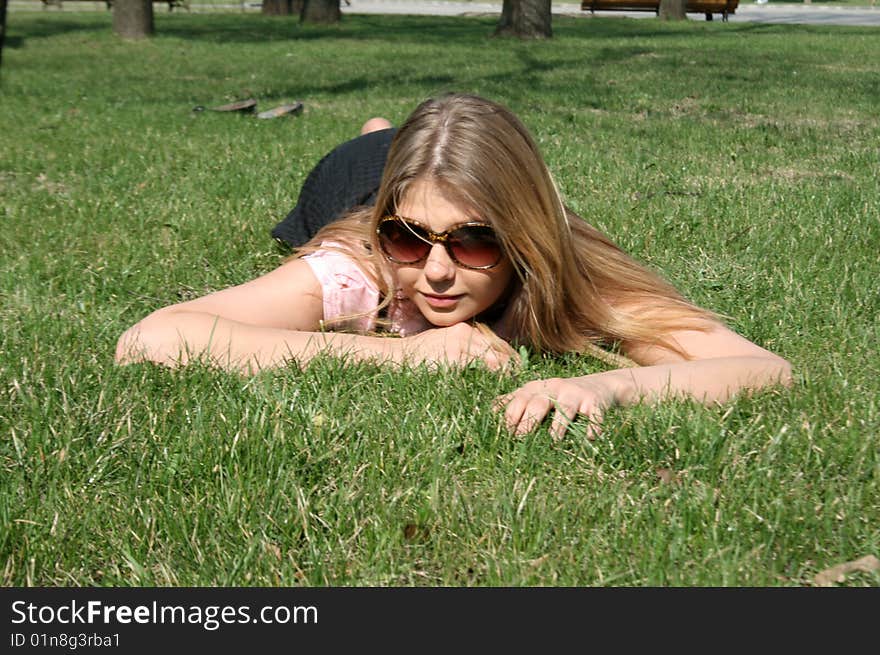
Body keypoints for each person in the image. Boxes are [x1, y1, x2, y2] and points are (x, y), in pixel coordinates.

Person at [116, 93, 792, 438]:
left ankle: (386, 137)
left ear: (525, 236)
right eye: (411, 238)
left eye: (473, 241)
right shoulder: (361, 263)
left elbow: (769, 369)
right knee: (372, 152)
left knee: (399, 149)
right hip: (350, 179)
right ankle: (377, 139)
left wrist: (607, 388)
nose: (436, 271)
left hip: (406, 176)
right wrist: (406, 357)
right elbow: (150, 339)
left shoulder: (566, 265)